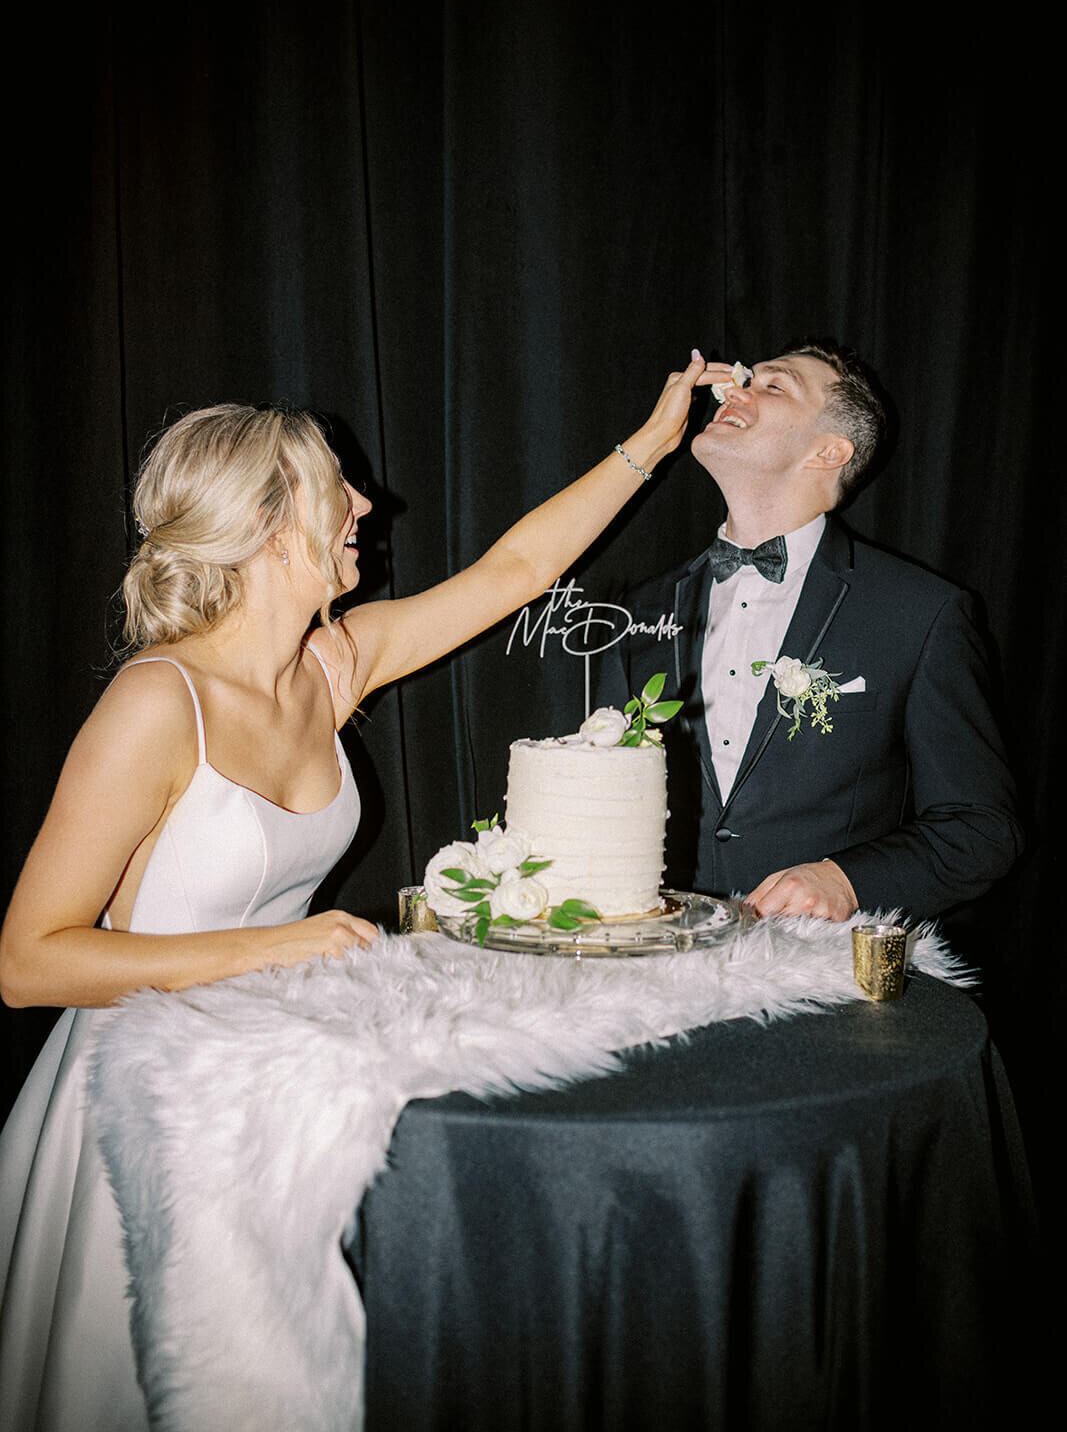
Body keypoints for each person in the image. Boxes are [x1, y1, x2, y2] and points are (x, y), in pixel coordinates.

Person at [0, 359, 711, 1431]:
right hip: (142, 1098)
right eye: (340, 487)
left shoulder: (331, 666)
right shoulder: (158, 700)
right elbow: (29, 962)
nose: (366, 506)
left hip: (272, 1079)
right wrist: (270, 951)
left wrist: (653, 442)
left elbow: (517, 568)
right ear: (273, 523)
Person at [597, 342, 1021, 921]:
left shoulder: (922, 613)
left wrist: (847, 881)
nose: (730, 390)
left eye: (773, 385)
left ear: (829, 451)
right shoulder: (637, 611)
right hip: (653, 975)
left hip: (822, 984)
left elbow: (981, 829)